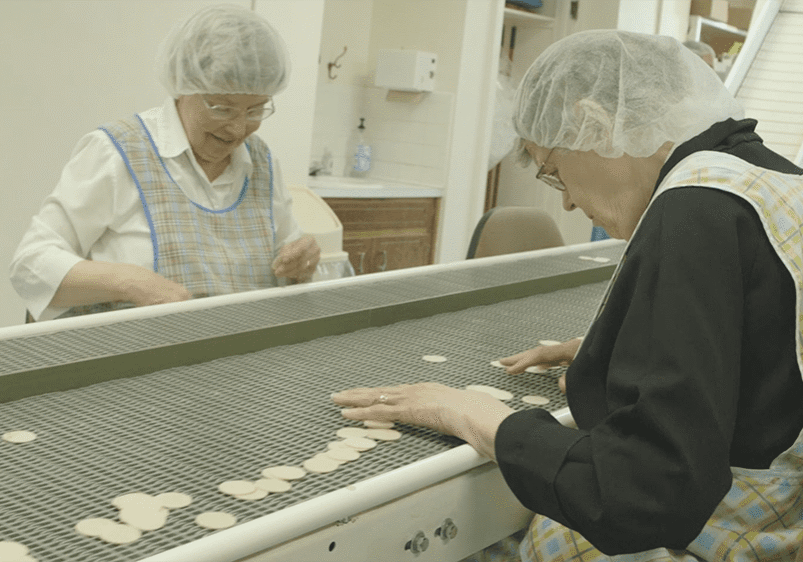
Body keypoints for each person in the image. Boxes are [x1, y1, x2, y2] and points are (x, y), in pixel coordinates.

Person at [332, 30, 803, 561]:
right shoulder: (771, 179)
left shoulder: (692, 210)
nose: (572, 205)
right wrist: (637, 347)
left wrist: (473, 415)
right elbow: (770, 351)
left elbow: (647, 492)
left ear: (592, 124)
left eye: (555, 175)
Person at [10, 4, 319, 321]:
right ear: (184, 86)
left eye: (255, 110)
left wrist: (301, 259)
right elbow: (30, 264)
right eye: (222, 108)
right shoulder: (118, 152)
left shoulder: (262, 163)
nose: (239, 129)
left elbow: (287, 256)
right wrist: (129, 283)